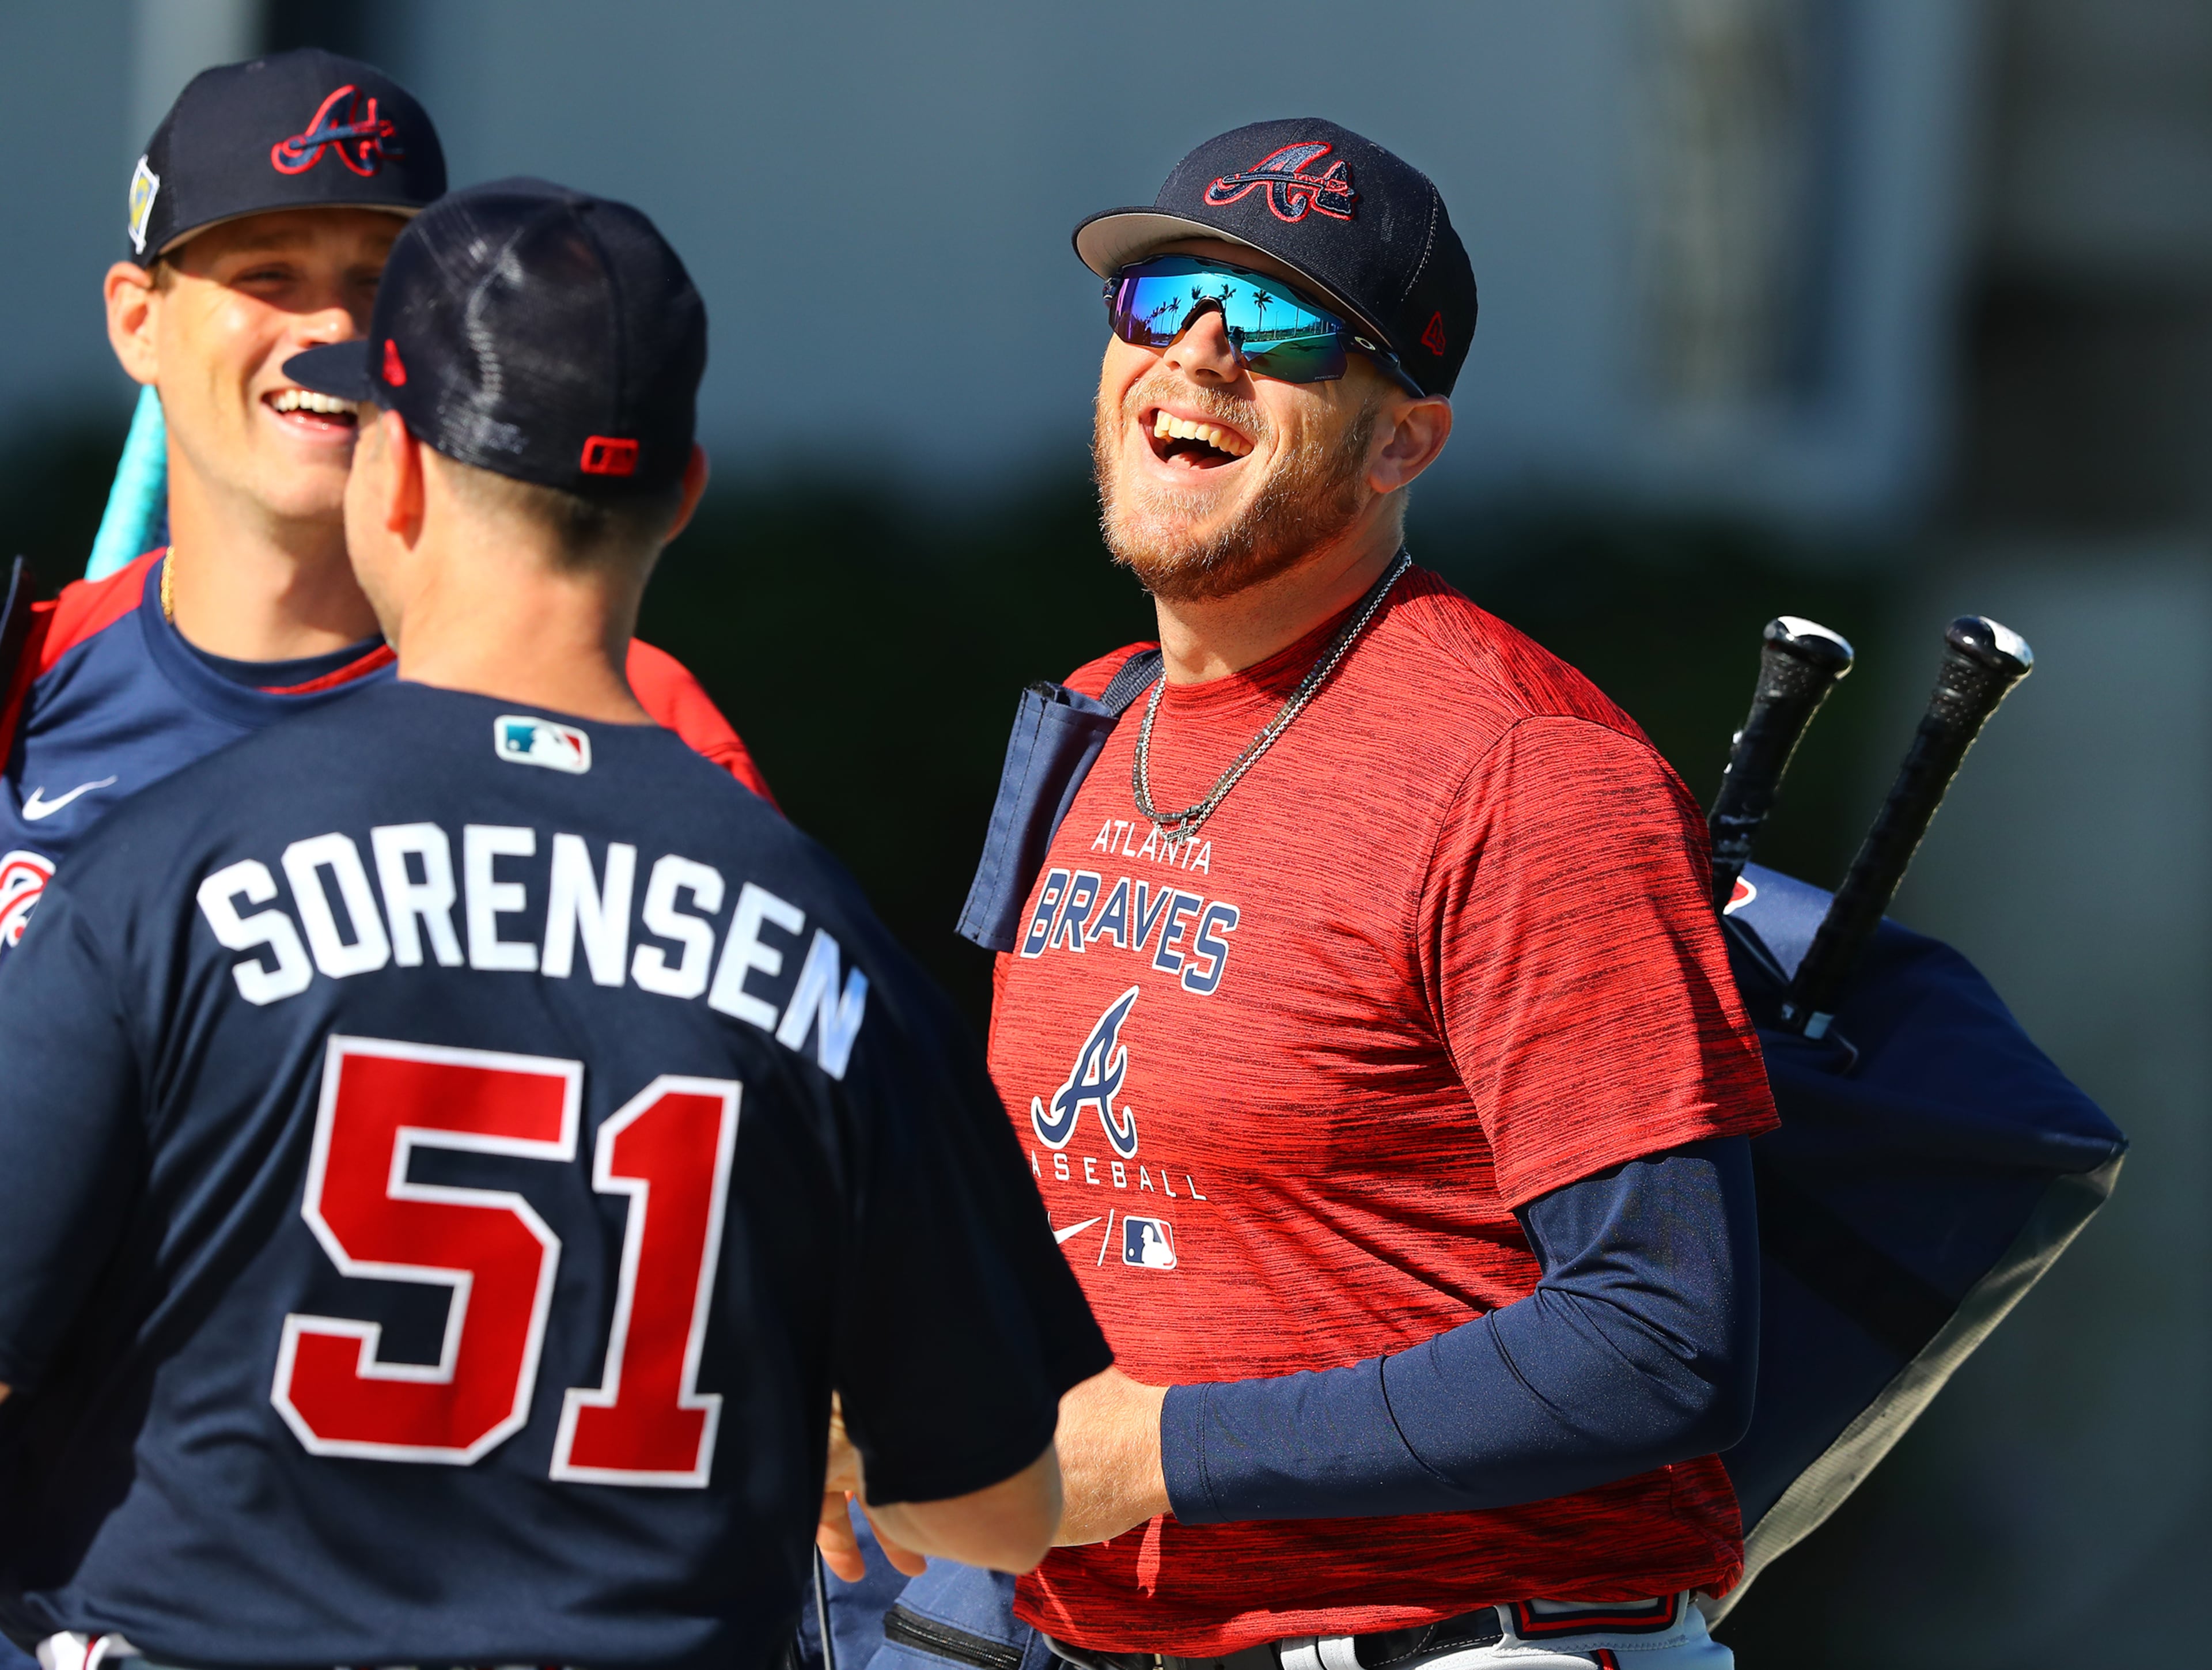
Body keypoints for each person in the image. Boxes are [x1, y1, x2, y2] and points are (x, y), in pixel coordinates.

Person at [0, 178, 1106, 1670]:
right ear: (687, 493)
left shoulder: (175, 863)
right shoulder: (824, 934)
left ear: (389, 473)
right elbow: (996, 1508)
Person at [879, 119, 1779, 1670]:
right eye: (1162, 303)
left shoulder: (1531, 772)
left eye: (1289, 325)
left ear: (1402, 442)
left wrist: (1157, 1451)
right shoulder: (1090, 719)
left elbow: (1661, 1332)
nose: (1203, 356)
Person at [0, 48, 767, 957]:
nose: (332, 329)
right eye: (268, 275)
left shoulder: (627, 712)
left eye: (380, 283)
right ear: (139, 322)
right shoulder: (27, 674)